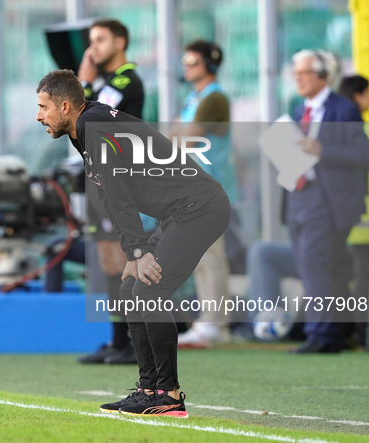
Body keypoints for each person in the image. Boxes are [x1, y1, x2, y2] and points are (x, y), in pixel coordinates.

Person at [36, 69, 229, 416]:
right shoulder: (86, 126)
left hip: (200, 209)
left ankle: (168, 395)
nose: (38, 116)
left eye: (43, 107)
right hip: (180, 213)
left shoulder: (94, 128)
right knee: (130, 289)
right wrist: (134, 252)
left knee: (149, 292)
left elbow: (118, 195)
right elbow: (112, 195)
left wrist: (137, 250)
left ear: (65, 106)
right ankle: (148, 389)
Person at [286, 50, 369, 353]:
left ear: (323, 75)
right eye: (295, 72)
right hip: (298, 194)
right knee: (321, 266)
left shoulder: (343, 109)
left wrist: (321, 148)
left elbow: (364, 154)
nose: (298, 78)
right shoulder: (299, 109)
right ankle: (336, 332)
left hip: (327, 199)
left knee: (315, 264)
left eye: (304, 72)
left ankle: (321, 334)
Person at [75, 19, 146, 364]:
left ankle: (136, 343)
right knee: (107, 261)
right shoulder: (105, 83)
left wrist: (83, 79)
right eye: (91, 41)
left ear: (121, 42)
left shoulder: (127, 81)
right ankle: (118, 340)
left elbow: (87, 115)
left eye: (100, 40)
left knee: (123, 258)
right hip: (97, 175)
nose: (93, 48)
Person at [172, 40, 238, 349]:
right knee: (200, 257)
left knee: (211, 257)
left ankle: (216, 323)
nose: (186, 66)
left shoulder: (214, 99)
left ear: (209, 65)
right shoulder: (195, 97)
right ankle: (207, 322)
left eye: (192, 60)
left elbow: (185, 134)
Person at [340, 75, 369, 347]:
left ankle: (349, 333)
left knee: (346, 278)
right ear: (358, 97)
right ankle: (363, 335)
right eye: (368, 94)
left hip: (342, 219)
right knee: (363, 280)